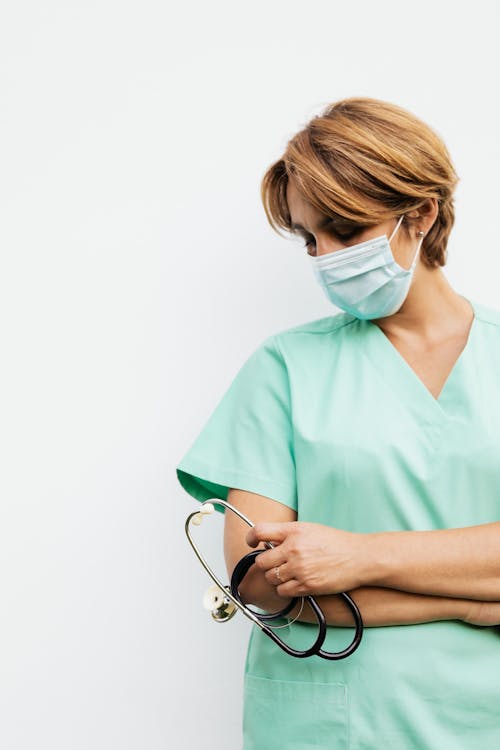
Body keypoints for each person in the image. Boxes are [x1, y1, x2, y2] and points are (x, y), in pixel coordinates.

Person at [175, 97, 500, 749]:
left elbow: (313, 576)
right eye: (308, 239)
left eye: (343, 231)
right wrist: (468, 598)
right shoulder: (285, 367)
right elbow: (260, 581)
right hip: (329, 727)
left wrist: (358, 556)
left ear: (422, 213)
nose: (324, 257)